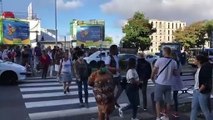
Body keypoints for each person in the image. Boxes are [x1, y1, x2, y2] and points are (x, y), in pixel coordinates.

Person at [151, 47, 178, 120]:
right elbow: (176, 73)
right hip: (169, 84)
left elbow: (154, 70)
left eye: (162, 51)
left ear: (165, 52)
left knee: (158, 101)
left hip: (160, 83)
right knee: (168, 101)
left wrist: (152, 77)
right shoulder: (174, 62)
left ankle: (158, 117)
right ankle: (166, 116)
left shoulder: (159, 60)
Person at [190, 55, 212, 120]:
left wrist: (200, 89)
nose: (194, 60)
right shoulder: (199, 68)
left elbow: (206, 80)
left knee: (205, 110)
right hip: (196, 90)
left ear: (199, 61)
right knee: (194, 108)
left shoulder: (204, 68)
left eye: (195, 59)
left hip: (202, 91)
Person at [171, 53, 183, 117]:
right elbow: (180, 71)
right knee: (175, 97)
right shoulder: (179, 63)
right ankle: (176, 111)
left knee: (167, 95)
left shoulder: (172, 63)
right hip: (177, 80)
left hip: (170, 80)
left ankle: (165, 110)